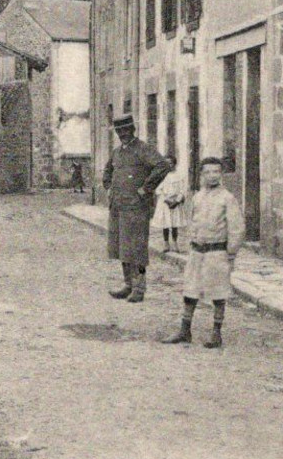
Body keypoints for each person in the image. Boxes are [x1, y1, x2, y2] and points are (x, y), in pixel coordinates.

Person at [163, 157, 245, 348]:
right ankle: (185, 330)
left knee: (218, 292)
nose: (212, 175)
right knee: (190, 290)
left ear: (221, 174)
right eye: (208, 172)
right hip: (197, 251)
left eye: (216, 171)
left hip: (217, 252)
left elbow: (237, 228)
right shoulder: (198, 197)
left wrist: (231, 254)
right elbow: (193, 221)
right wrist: (192, 242)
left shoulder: (227, 198)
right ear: (202, 174)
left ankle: (216, 333)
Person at [102, 114, 172, 302]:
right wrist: (108, 187)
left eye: (125, 130)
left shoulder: (143, 149)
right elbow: (108, 170)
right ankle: (128, 285)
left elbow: (162, 166)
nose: (122, 134)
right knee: (121, 247)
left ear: (132, 129)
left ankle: (140, 287)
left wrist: (146, 188)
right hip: (118, 207)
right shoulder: (117, 152)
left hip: (137, 208)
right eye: (119, 131)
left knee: (137, 248)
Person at [156, 158, 190, 253]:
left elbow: (183, 190)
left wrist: (177, 201)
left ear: (175, 164)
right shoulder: (163, 176)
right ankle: (166, 243)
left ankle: (175, 243)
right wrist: (166, 200)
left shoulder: (180, 176)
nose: (169, 165)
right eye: (166, 164)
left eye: (170, 163)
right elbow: (158, 190)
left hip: (176, 202)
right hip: (165, 202)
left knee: (175, 224)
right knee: (165, 224)